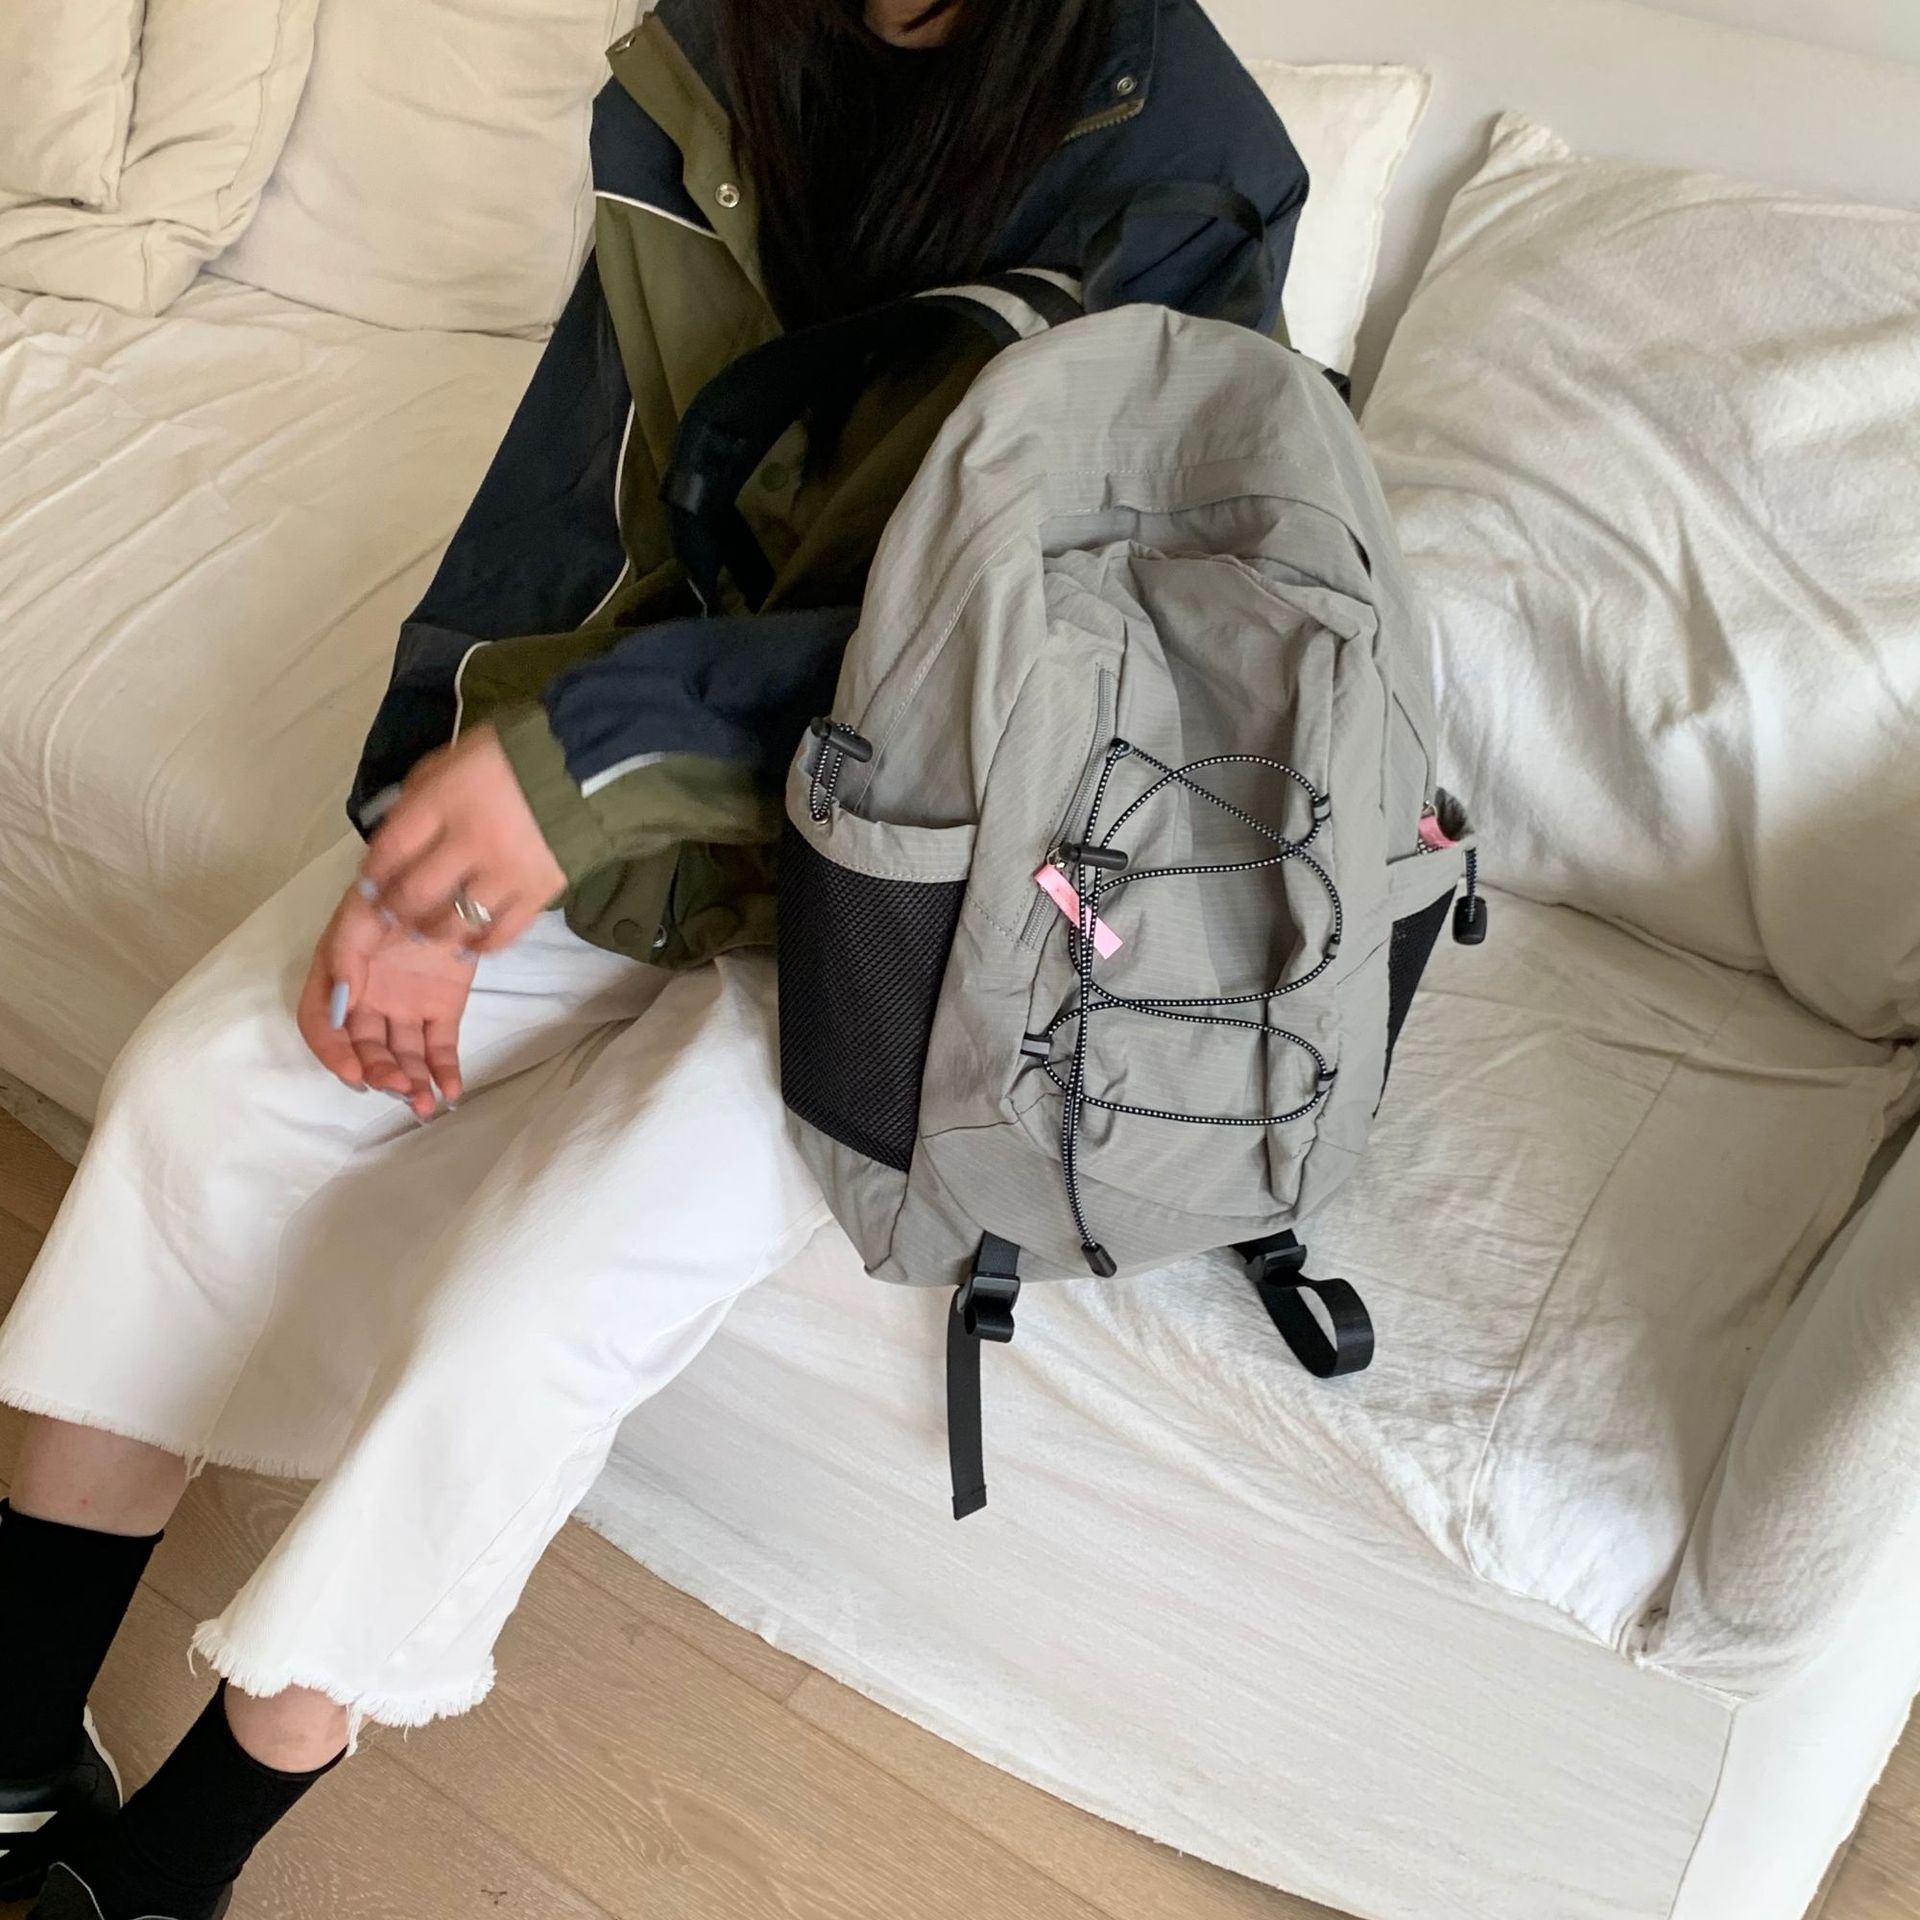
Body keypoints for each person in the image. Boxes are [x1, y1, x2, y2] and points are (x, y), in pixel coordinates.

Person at [0, 2, 1307, 1914]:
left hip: (925, 894)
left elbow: (1033, 665)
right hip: (637, 767)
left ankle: (172, 1872)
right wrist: (424, 837)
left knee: (522, 1319)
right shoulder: (718, 48)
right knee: (203, 1098)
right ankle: (18, 1750)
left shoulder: (1187, 165)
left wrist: (581, 770)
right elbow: (565, 499)